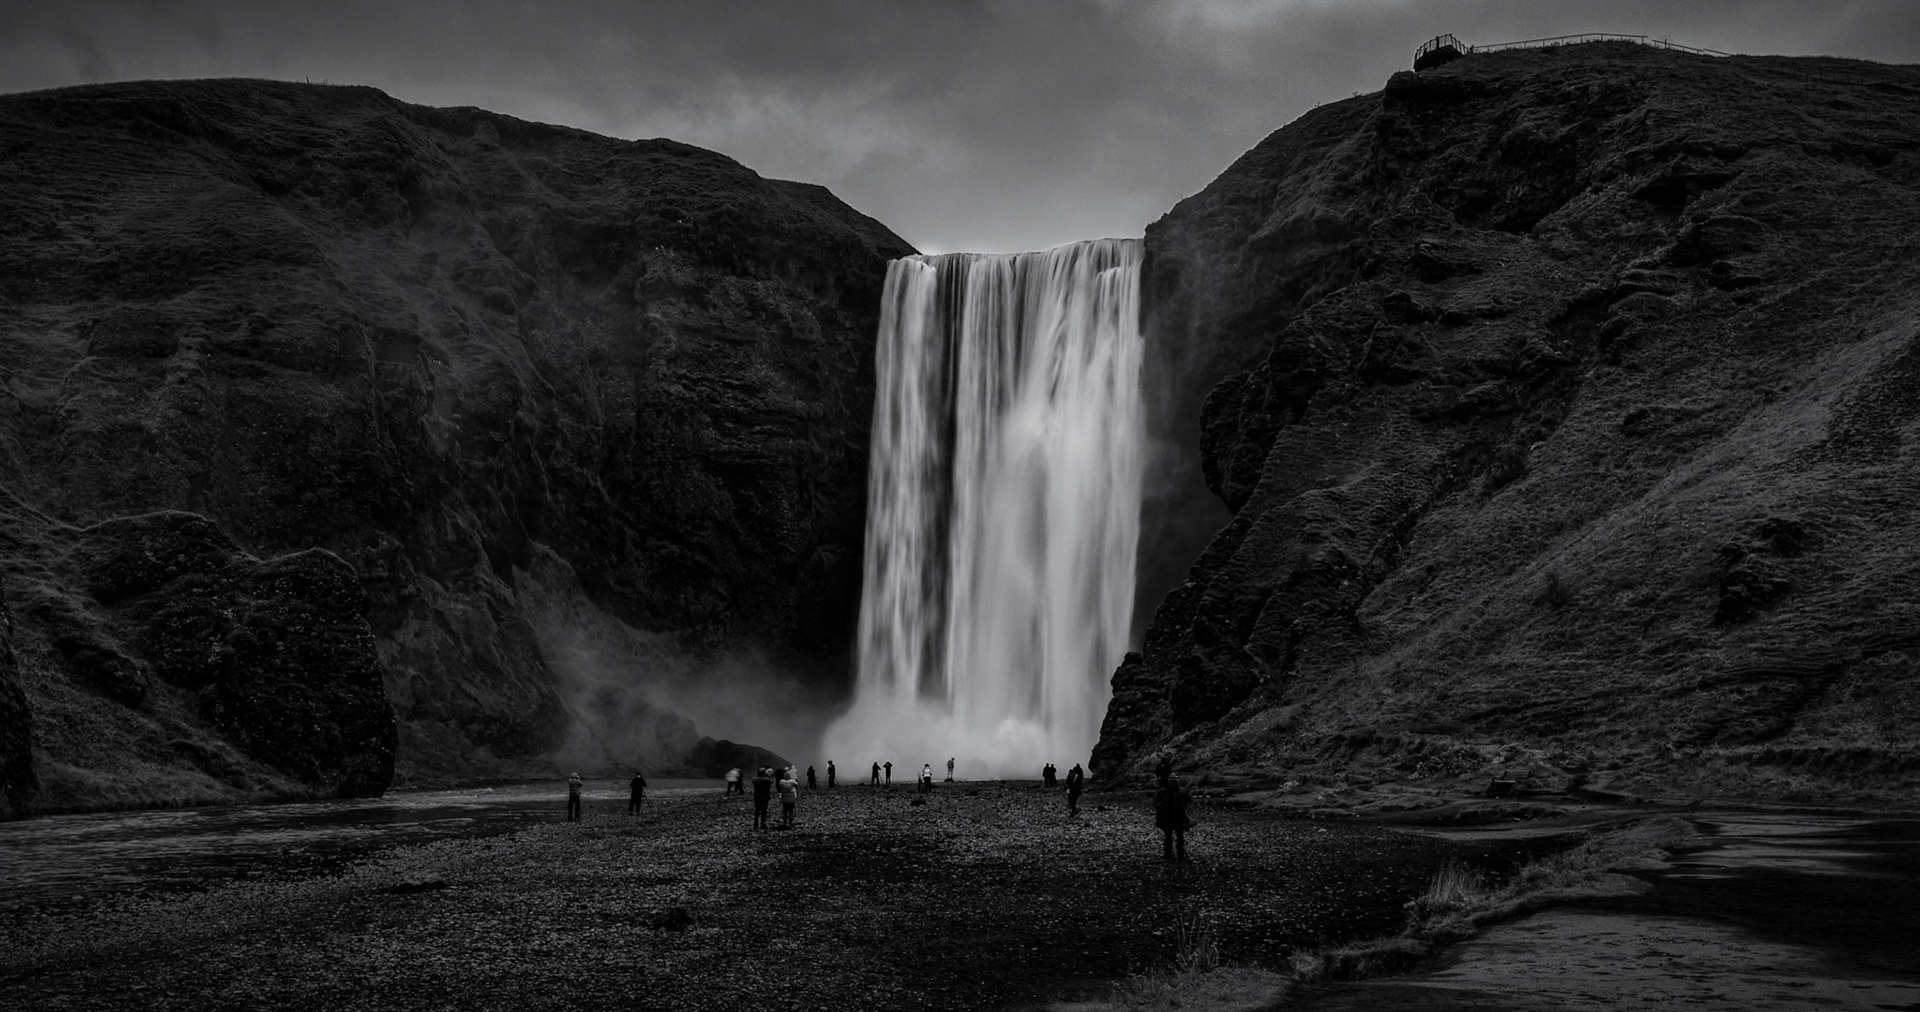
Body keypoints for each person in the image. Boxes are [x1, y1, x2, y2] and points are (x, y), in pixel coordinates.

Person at [1154, 773, 1192, 862]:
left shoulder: (1163, 790)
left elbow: (1156, 802)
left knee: (1169, 837)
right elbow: (1188, 799)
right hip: (1178, 817)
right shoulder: (1182, 791)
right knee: (1178, 837)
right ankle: (1180, 854)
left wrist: (1161, 808)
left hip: (1168, 818)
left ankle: (1169, 854)